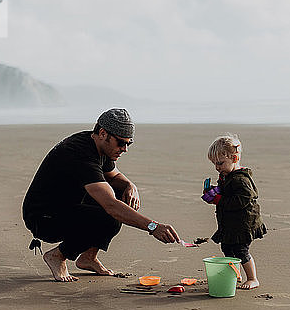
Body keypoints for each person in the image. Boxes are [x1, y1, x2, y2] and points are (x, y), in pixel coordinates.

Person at [22, 108, 180, 282]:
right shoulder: (80, 154)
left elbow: (114, 176)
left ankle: (88, 258)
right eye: (121, 143)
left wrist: (129, 185)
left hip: (65, 206)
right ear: (103, 133)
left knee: (121, 194)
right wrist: (153, 227)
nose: (125, 149)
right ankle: (58, 256)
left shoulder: (98, 145)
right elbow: (111, 206)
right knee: (110, 215)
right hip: (43, 219)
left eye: (128, 143)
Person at [201, 134, 267, 289]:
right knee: (227, 247)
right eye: (215, 164)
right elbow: (226, 192)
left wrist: (218, 199)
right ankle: (235, 274)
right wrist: (214, 192)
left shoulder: (241, 179)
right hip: (231, 222)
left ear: (235, 158)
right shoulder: (226, 175)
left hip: (244, 223)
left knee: (241, 250)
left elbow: (243, 199)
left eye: (220, 163)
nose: (217, 167)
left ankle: (252, 278)